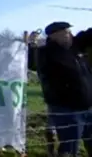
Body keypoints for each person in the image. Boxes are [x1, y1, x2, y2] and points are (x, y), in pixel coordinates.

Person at [38, 21, 92, 157]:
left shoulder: (75, 47)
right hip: (67, 110)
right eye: (67, 33)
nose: (71, 35)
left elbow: (88, 35)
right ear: (54, 36)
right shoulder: (47, 53)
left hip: (87, 108)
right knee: (69, 148)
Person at [25, 30, 57, 157]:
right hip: (55, 96)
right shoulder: (44, 55)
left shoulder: (67, 53)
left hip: (72, 96)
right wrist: (31, 44)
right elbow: (32, 62)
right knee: (53, 125)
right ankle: (52, 151)